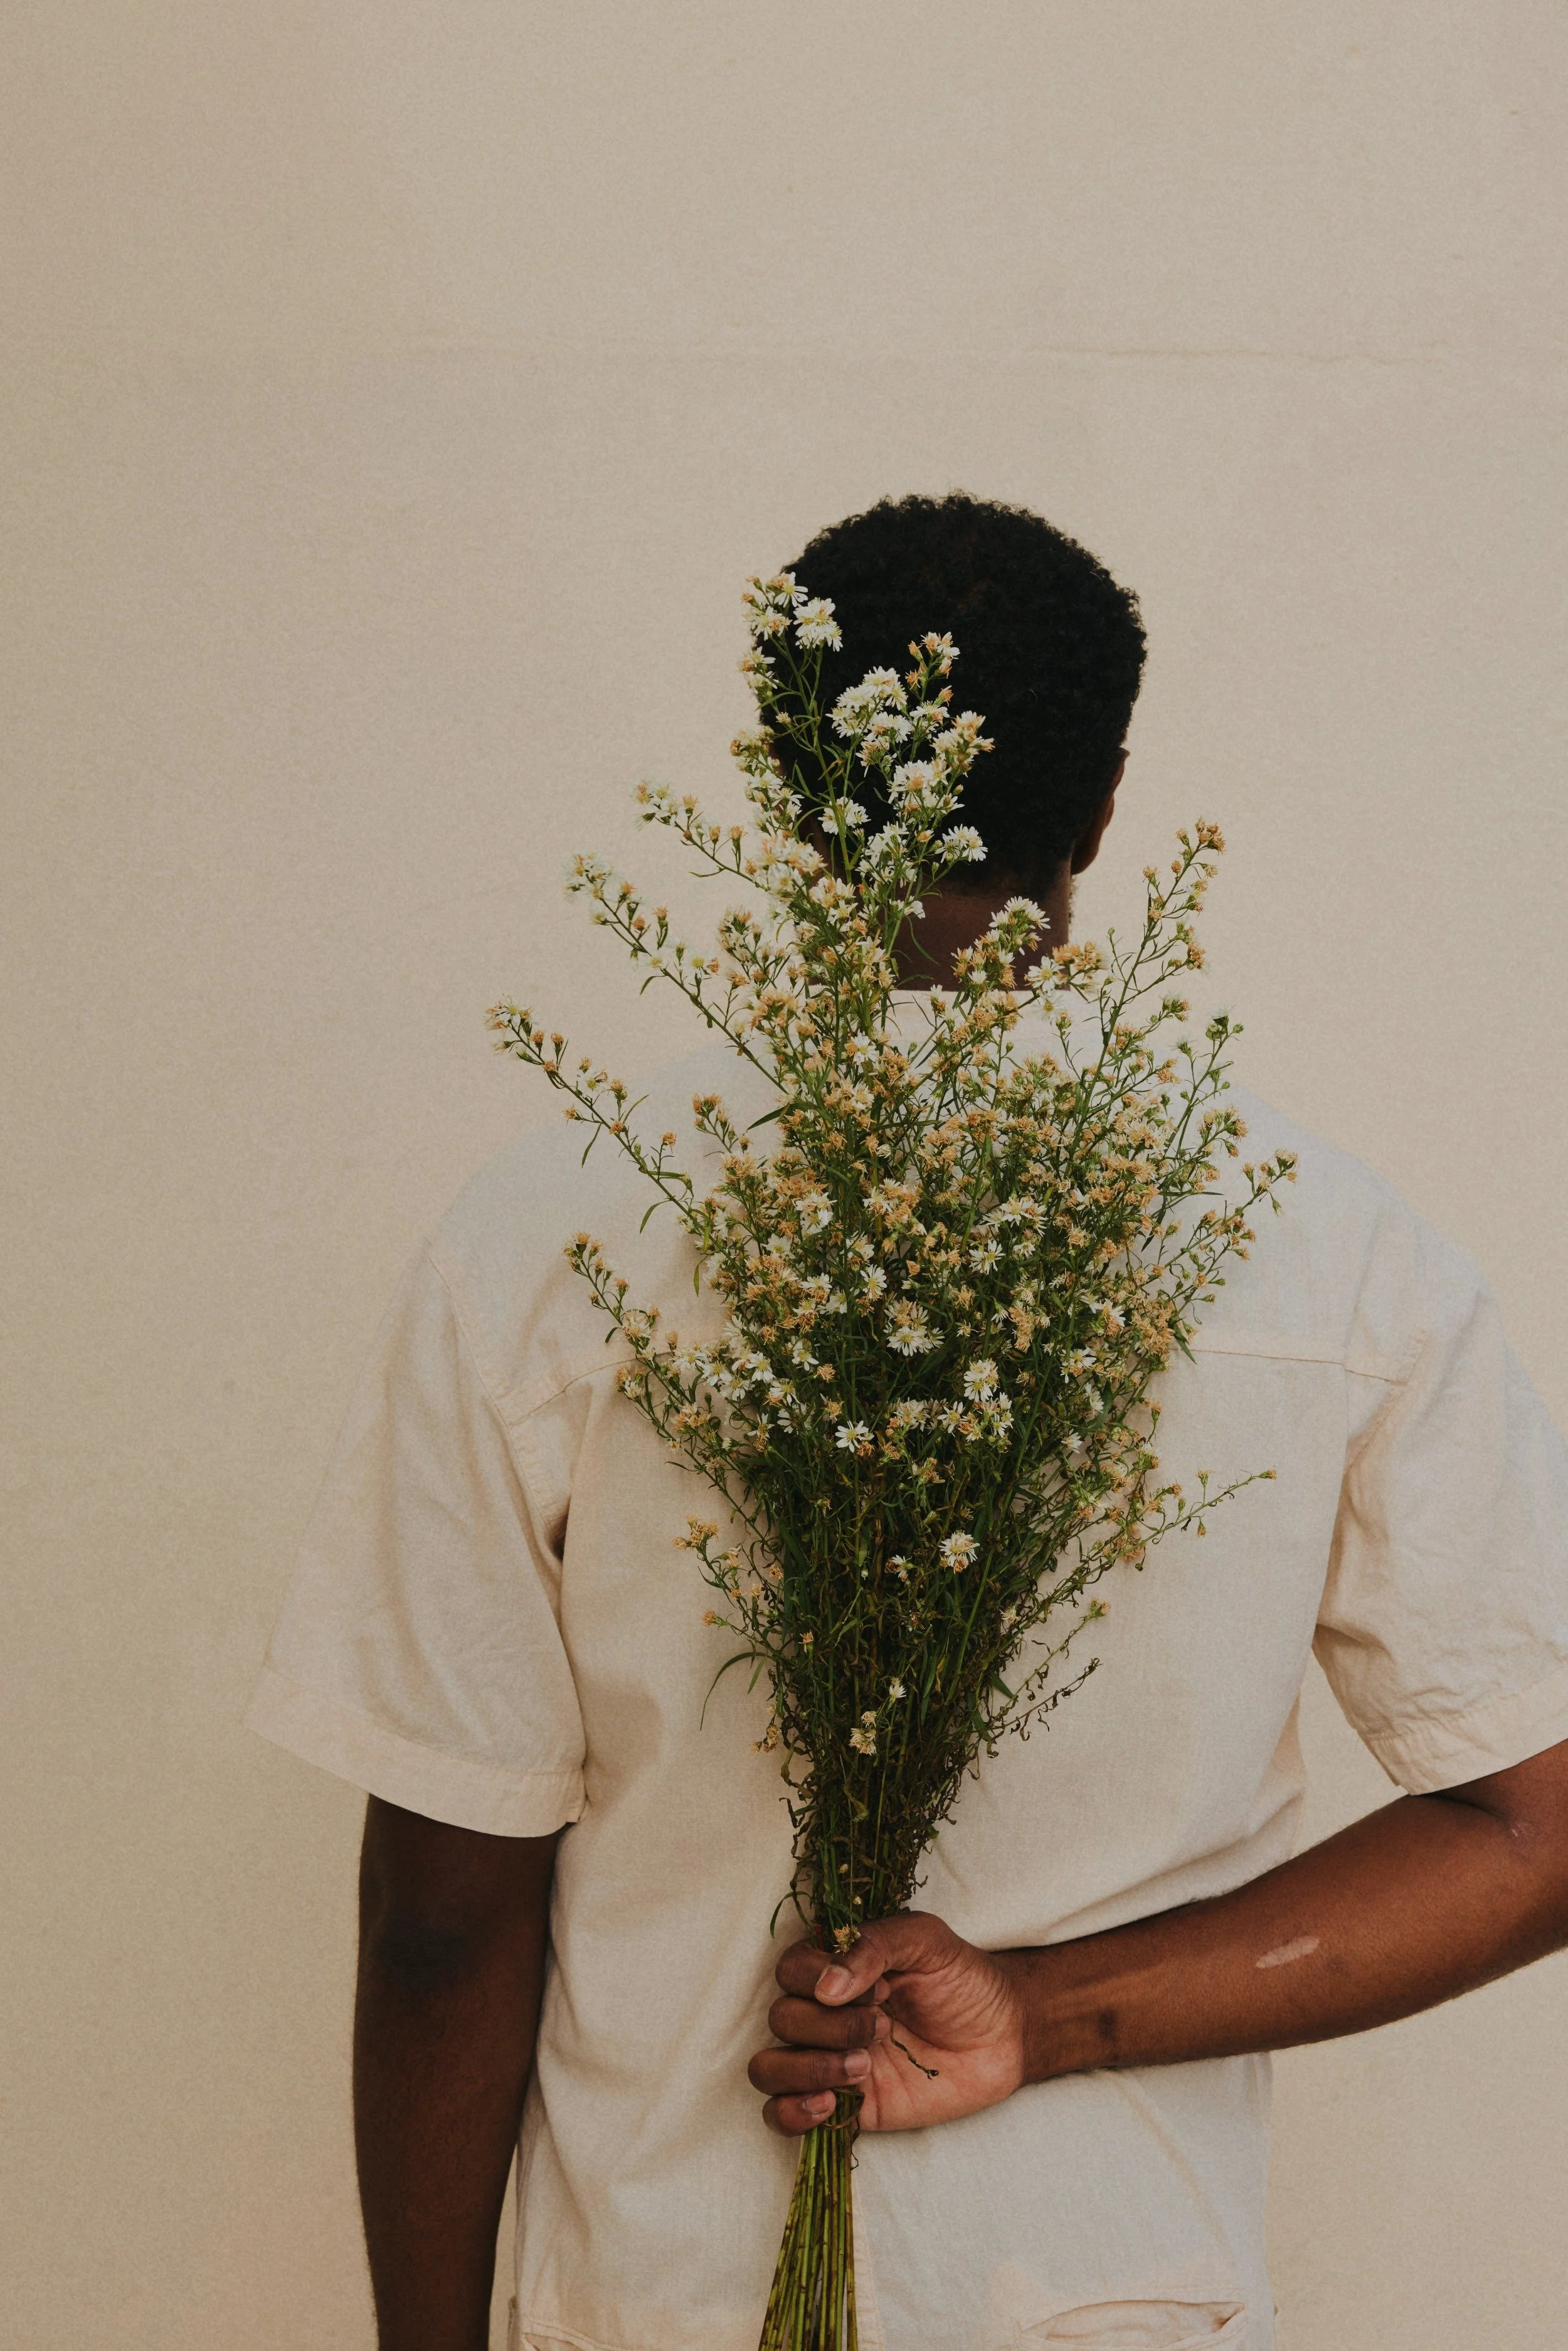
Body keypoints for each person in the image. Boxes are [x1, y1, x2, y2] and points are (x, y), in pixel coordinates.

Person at [246, 492, 1568, 2351]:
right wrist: (1044, 2002)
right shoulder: (1334, 1255)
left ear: (789, 795)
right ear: (1103, 806)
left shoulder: (545, 1238)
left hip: (657, 2295)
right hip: (1122, 2301)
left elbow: (445, 1922)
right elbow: (1536, 1824)